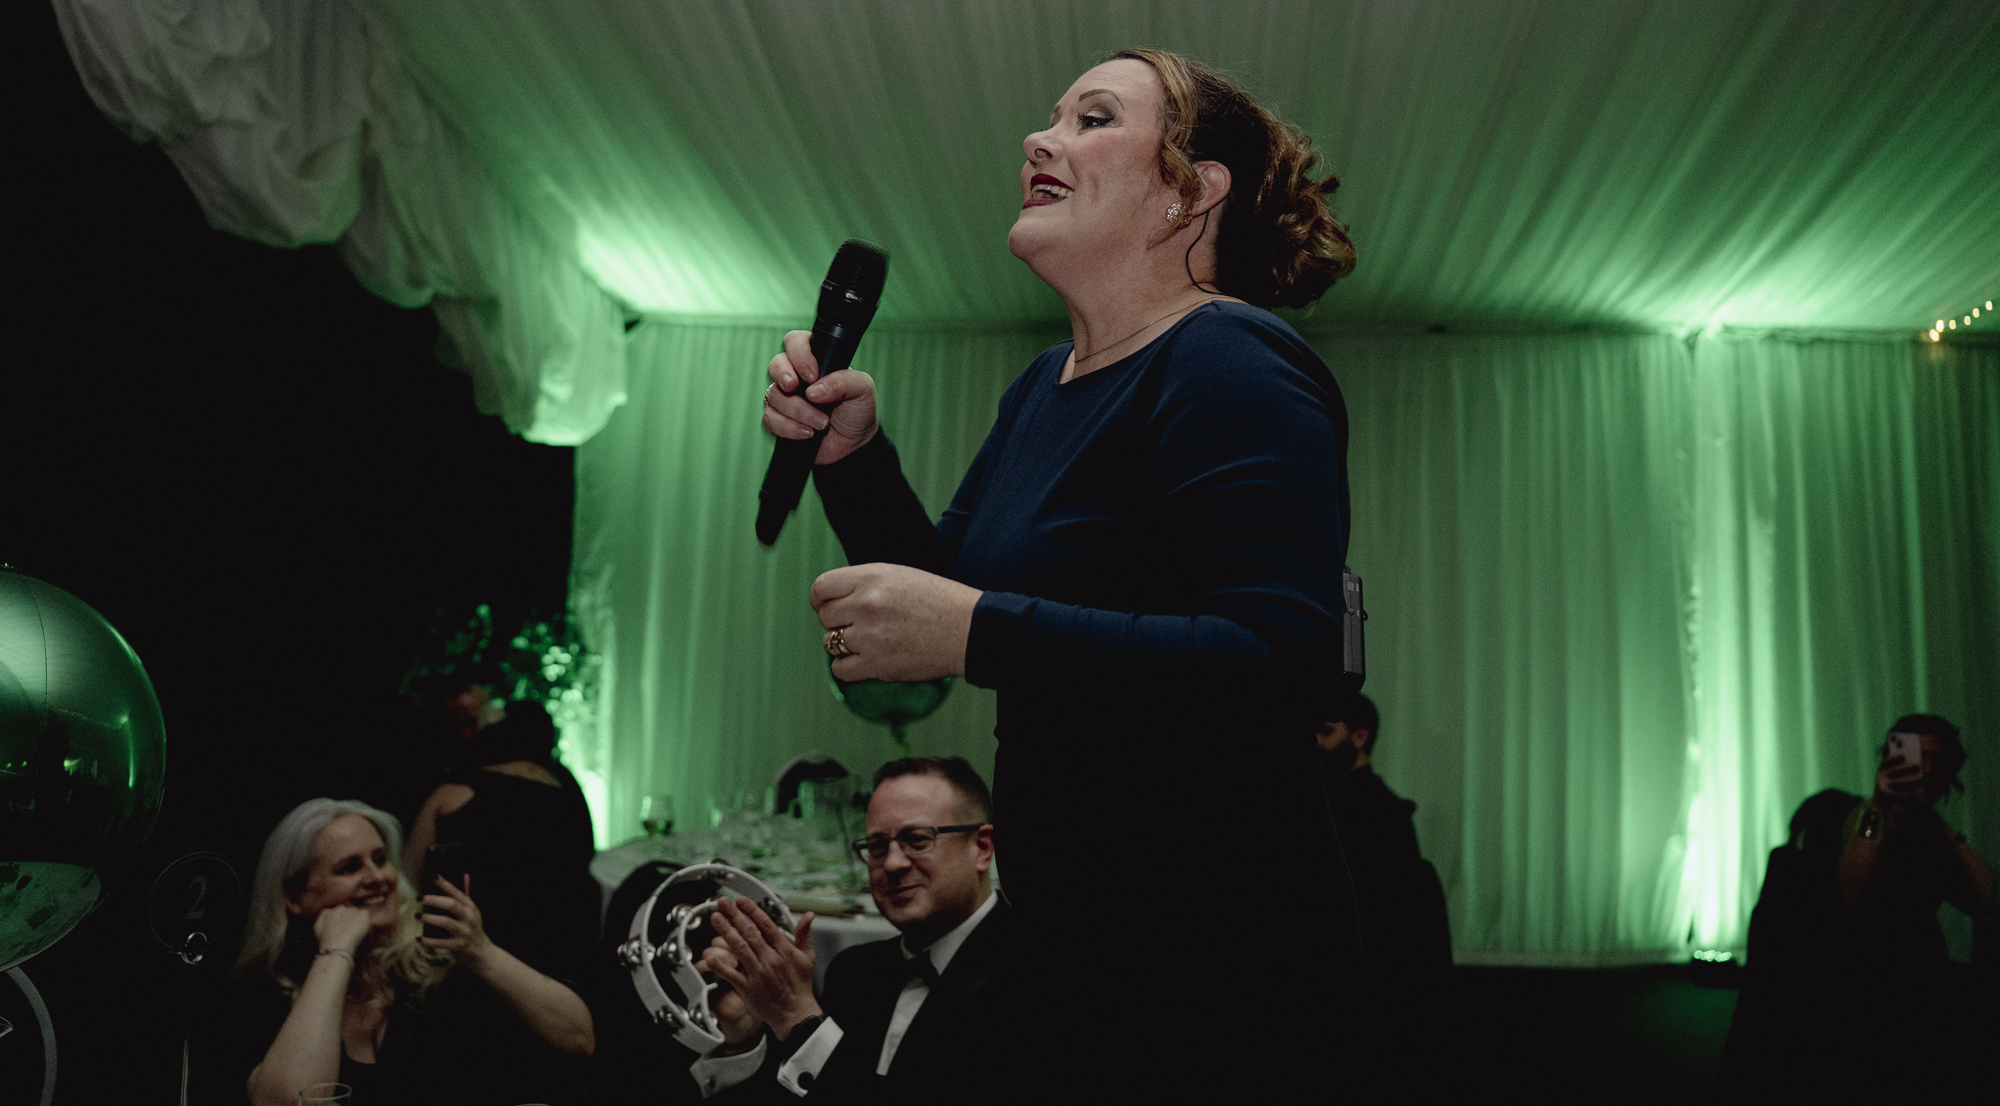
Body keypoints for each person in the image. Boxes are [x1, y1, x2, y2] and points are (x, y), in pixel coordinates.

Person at [760, 47, 1359, 1092]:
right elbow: (947, 590)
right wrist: (854, 460)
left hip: (1214, 947)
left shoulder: (1229, 358)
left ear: (1191, 191)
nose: (1038, 139)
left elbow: (1276, 661)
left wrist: (976, 629)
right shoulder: (1045, 383)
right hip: (1073, 926)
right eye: (1051, 119)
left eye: (1093, 119)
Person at [208, 798, 595, 1106]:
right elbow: (289, 1102)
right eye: (349, 868)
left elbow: (578, 1037)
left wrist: (482, 952)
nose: (377, 878)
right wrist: (337, 951)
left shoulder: (433, 966)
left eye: (380, 859)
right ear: (295, 898)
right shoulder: (265, 998)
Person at [691, 757, 1009, 1102]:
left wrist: (799, 1018)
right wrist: (742, 1040)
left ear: (982, 848)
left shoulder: (1033, 979)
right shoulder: (856, 972)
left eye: (917, 840)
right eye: (877, 846)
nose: (892, 863)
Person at [1316, 694, 1451, 1093]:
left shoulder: (1379, 818)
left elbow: (1390, 938)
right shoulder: (1338, 808)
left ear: (1359, 737)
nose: (1315, 742)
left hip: (1365, 1005)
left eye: (1325, 731)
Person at [402, 702, 599, 970]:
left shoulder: (452, 795)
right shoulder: (571, 794)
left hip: (463, 962)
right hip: (557, 958)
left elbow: (407, 879)